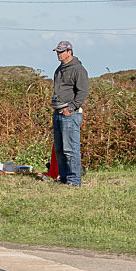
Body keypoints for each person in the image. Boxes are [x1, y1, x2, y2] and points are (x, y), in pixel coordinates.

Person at [51, 40, 89, 186]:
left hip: (70, 114)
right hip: (58, 112)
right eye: (57, 52)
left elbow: (83, 92)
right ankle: (64, 178)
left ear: (69, 52)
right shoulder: (59, 69)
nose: (59, 54)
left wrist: (70, 108)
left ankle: (74, 180)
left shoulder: (78, 69)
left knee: (70, 149)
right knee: (60, 149)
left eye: (61, 51)